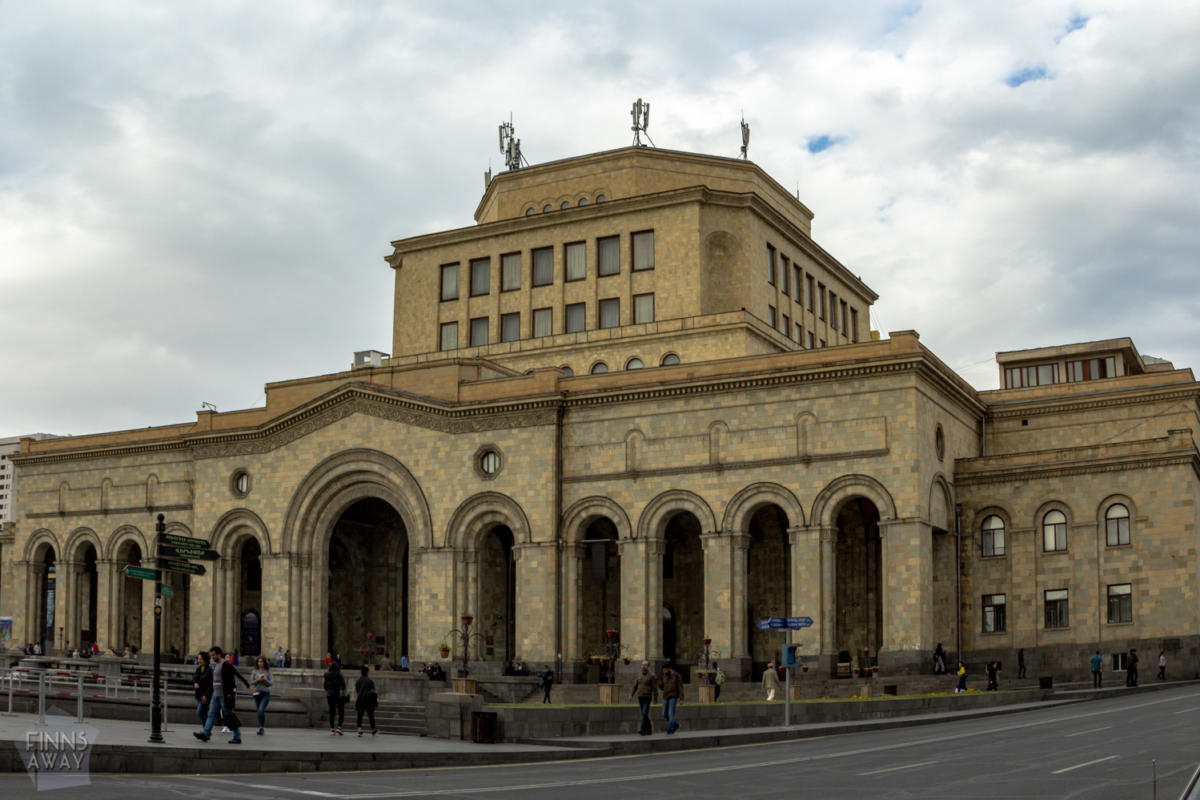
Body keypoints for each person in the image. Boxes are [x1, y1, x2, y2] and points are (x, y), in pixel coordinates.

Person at [628, 661, 658, 736]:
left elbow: (655, 688)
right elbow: (635, 686)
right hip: (640, 697)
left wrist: (655, 699)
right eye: (642, 665)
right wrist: (631, 695)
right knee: (644, 714)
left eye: (645, 665)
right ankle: (649, 729)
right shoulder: (639, 675)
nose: (643, 666)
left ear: (648, 666)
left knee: (644, 713)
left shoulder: (651, 676)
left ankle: (643, 730)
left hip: (647, 697)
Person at [251, 655, 272, 736]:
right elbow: (252, 683)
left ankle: (262, 727)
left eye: (261, 662)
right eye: (259, 662)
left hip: (265, 693)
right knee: (259, 711)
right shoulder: (254, 672)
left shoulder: (268, 672)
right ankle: (261, 726)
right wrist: (258, 680)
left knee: (261, 710)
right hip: (256, 693)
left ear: (264, 662)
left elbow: (270, 683)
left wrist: (265, 680)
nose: (260, 663)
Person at [355, 665, 379, 736]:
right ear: (367, 672)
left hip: (360, 700)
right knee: (371, 716)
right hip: (369, 701)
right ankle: (373, 729)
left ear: (361, 672)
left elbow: (357, 691)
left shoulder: (358, 681)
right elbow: (374, 693)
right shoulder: (370, 681)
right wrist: (376, 703)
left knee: (359, 715)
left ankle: (359, 729)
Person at [324, 661, 347, 735]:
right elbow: (343, 685)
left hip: (330, 695)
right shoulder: (339, 674)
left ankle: (332, 729)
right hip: (338, 695)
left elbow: (325, 685)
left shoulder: (327, 675)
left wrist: (329, 690)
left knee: (332, 712)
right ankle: (339, 728)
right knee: (341, 711)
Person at [661, 664, 684, 734]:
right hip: (665, 696)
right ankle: (675, 724)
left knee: (671, 713)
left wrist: (681, 698)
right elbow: (663, 687)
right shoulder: (664, 675)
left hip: (673, 697)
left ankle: (670, 729)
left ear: (669, 669)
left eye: (665, 670)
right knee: (664, 713)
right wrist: (659, 685)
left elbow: (680, 688)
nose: (664, 672)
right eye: (663, 670)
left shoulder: (677, 676)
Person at [192, 651, 213, 726]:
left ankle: (206, 729)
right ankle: (206, 730)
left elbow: (211, 685)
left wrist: (206, 695)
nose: (199, 661)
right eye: (198, 659)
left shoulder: (209, 670)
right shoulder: (198, 669)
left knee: (199, 712)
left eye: (201, 659)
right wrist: (195, 683)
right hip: (198, 694)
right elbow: (194, 679)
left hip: (205, 695)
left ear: (205, 660)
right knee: (203, 712)